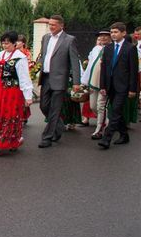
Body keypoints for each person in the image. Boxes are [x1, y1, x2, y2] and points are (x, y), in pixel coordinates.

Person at [0, 31, 33, 156]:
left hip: (12, 91)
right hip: (0, 90)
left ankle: (4, 143)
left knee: (9, 116)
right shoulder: (1, 55)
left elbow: (24, 77)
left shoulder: (20, 57)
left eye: (7, 43)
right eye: (3, 43)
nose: (5, 46)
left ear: (14, 43)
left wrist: (28, 96)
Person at [37, 15, 81, 148]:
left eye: (53, 25)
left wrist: (76, 82)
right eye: (49, 24)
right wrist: (36, 68)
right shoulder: (45, 38)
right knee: (43, 106)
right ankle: (59, 125)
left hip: (60, 79)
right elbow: (43, 56)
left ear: (61, 25)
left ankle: (47, 137)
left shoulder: (69, 40)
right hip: (45, 78)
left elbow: (74, 62)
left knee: (55, 109)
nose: (50, 27)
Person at [98, 22, 138, 149]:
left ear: (123, 33)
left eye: (116, 32)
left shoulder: (130, 48)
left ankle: (106, 138)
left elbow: (133, 70)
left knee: (114, 111)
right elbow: (104, 68)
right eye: (112, 32)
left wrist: (132, 89)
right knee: (118, 112)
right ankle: (124, 135)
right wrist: (103, 86)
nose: (113, 34)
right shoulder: (108, 48)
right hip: (110, 86)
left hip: (123, 86)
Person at [81, 30, 110, 139]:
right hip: (93, 81)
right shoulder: (95, 49)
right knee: (93, 106)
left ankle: (101, 128)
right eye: (101, 36)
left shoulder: (111, 49)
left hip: (105, 83)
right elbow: (90, 66)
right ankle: (104, 121)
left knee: (101, 105)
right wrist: (85, 81)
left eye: (105, 36)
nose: (103, 38)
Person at [16, 34, 32, 123]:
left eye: (19, 41)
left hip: (24, 76)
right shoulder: (13, 52)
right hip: (16, 78)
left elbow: (29, 65)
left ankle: (24, 115)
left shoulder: (26, 53)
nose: (17, 43)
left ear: (23, 43)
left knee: (24, 96)